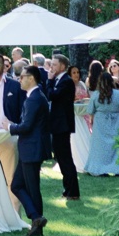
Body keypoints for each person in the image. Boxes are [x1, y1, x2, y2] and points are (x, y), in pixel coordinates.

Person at [8, 63, 50, 236]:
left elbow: (26, 126)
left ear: (31, 78)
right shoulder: (34, 96)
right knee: (17, 185)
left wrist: (10, 127)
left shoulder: (34, 98)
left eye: (22, 76)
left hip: (32, 149)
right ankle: (35, 218)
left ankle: (37, 223)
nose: (19, 79)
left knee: (31, 187)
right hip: (30, 148)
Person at [43, 52, 81, 200]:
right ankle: (68, 190)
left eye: (54, 64)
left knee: (65, 158)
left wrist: (50, 81)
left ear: (63, 66)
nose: (51, 67)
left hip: (62, 125)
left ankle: (73, 191)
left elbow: (52, 95)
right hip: (57, 124)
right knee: (60, 157)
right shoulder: (61, 80)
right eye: (51, 64)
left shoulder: (66, 81)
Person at [83, 63, 119, 176]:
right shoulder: (118, 94)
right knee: (116, 146)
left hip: (100, 122)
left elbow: (90, 110)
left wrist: (92, 120)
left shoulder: (96, 94)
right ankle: (117, 167)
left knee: (100, 146)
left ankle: (100, 168)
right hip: (117, 122)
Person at [68, 63, 92, 173]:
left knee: (88, 136)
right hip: (75, 113)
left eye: (77, 72)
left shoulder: (82, 84)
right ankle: (79, 160)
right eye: (74, 72)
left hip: (84, 113)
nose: (76, 74)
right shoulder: (68, 85)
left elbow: (88, 97)